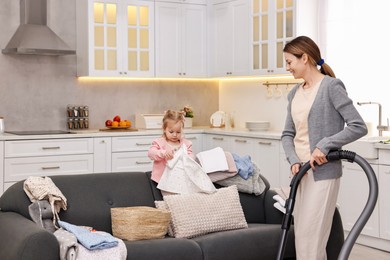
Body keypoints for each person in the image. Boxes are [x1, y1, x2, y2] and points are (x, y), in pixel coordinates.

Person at [281, 36, 367, 260]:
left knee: (312, 237)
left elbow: (358, 126)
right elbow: (288, 134)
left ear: (305, 58)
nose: (287, 67)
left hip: (323, 173)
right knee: (302, 237)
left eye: (290, 62)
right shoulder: (294, 94)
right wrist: (293, 160)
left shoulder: (331, 86)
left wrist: (325, 145)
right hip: (300, 173)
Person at [148, 110, 193, 184]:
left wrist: (189, 157)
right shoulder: (160, 142)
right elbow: (151, 153)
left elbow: (190, 157)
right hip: (161, 179)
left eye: (178, 132)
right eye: (171, 132)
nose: (175, 135)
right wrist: (163, 153)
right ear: (164, 129)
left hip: (179, 179)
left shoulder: (186, 144)